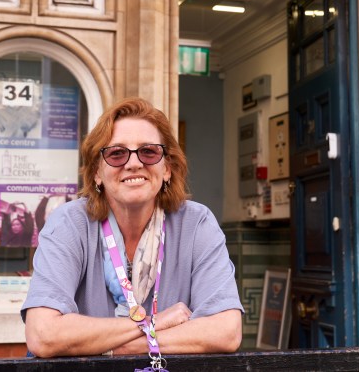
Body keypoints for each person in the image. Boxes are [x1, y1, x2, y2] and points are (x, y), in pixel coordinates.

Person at [22, 97, 243, 359]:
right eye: (116, 153)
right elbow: (43, 335)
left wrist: (122, 346)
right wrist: (154, 323)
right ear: (96, 173)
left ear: (167, 168)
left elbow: (226, 331)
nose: (134, 163)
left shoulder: (196, 224)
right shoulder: (69, 223)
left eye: (149, 151)